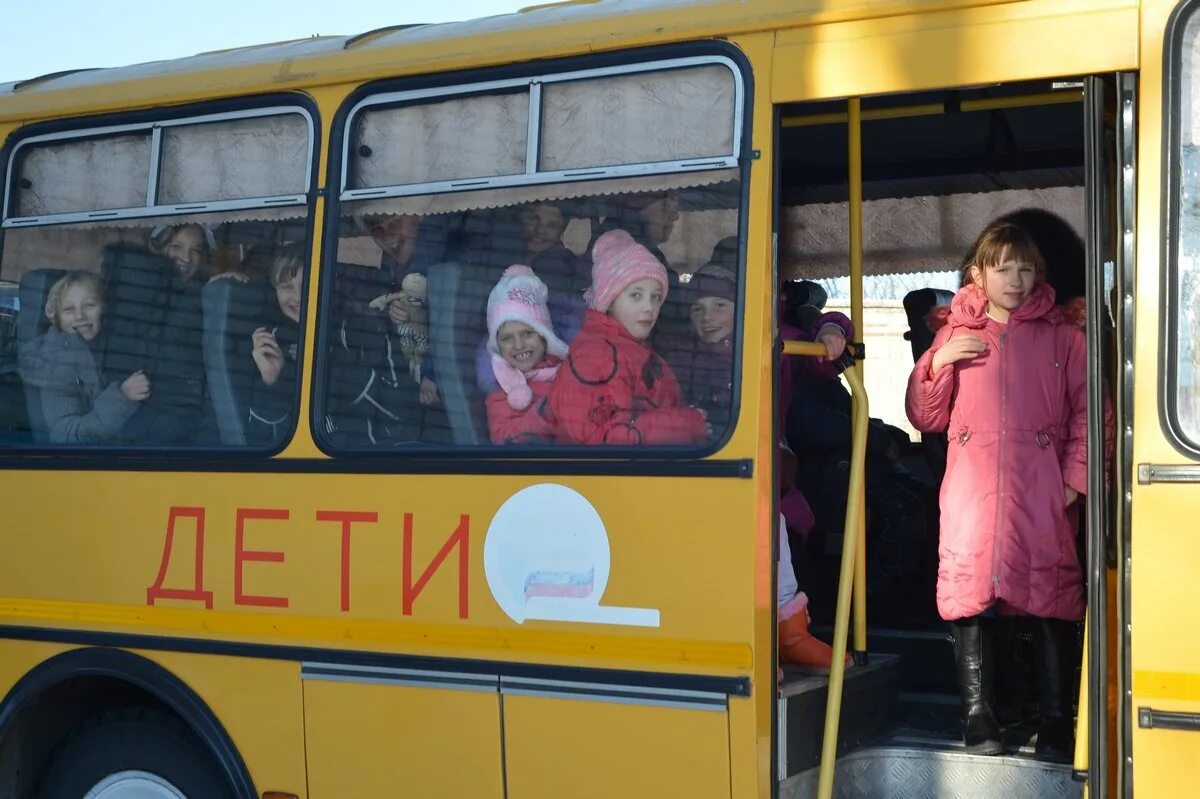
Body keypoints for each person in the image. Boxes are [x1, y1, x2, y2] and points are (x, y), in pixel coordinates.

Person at [906, 220, 1087, 761]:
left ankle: (1056, 722)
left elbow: (1089, 415)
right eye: (1003, 268)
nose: (1016, 278)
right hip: (971, 490)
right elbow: (925, 417)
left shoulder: (1065, 336)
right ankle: (978, 717)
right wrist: (936, 363)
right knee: (969, 593)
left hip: (1042, 488)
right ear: (978, 274)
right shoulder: (955, 335)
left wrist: (1074, 482)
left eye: (1026, 268)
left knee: (1052, 596)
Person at [550, 229, 708, 446]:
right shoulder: (598, 357)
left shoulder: (629, 349)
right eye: (636, 295)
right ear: (610, 300)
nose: (649, 307)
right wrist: (688, 424)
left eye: (655, 297)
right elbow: (604, 437)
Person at [23, 271, 150, 443]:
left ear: (103, 308)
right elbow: (66, 436)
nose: (80, 316)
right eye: (68, 309)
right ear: (56, 317)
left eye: (89, 305)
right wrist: (122, 397)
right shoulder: (54, 364)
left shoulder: (109, 347)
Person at [483, 265, 569, 445]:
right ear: (498, 346)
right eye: (507, 338)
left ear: (544, 337)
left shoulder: (570, 371)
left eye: (527, 334)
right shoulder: (501, 391)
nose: (519, 345)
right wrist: (542, 415)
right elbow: (501, 436)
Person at [246, 243, 304, 446]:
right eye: (286, 286)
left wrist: (325, 361)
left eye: (307, 285)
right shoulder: (271, 343)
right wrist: (271, 379)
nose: (297, 297)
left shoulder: (351, 328)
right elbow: (266, 438)